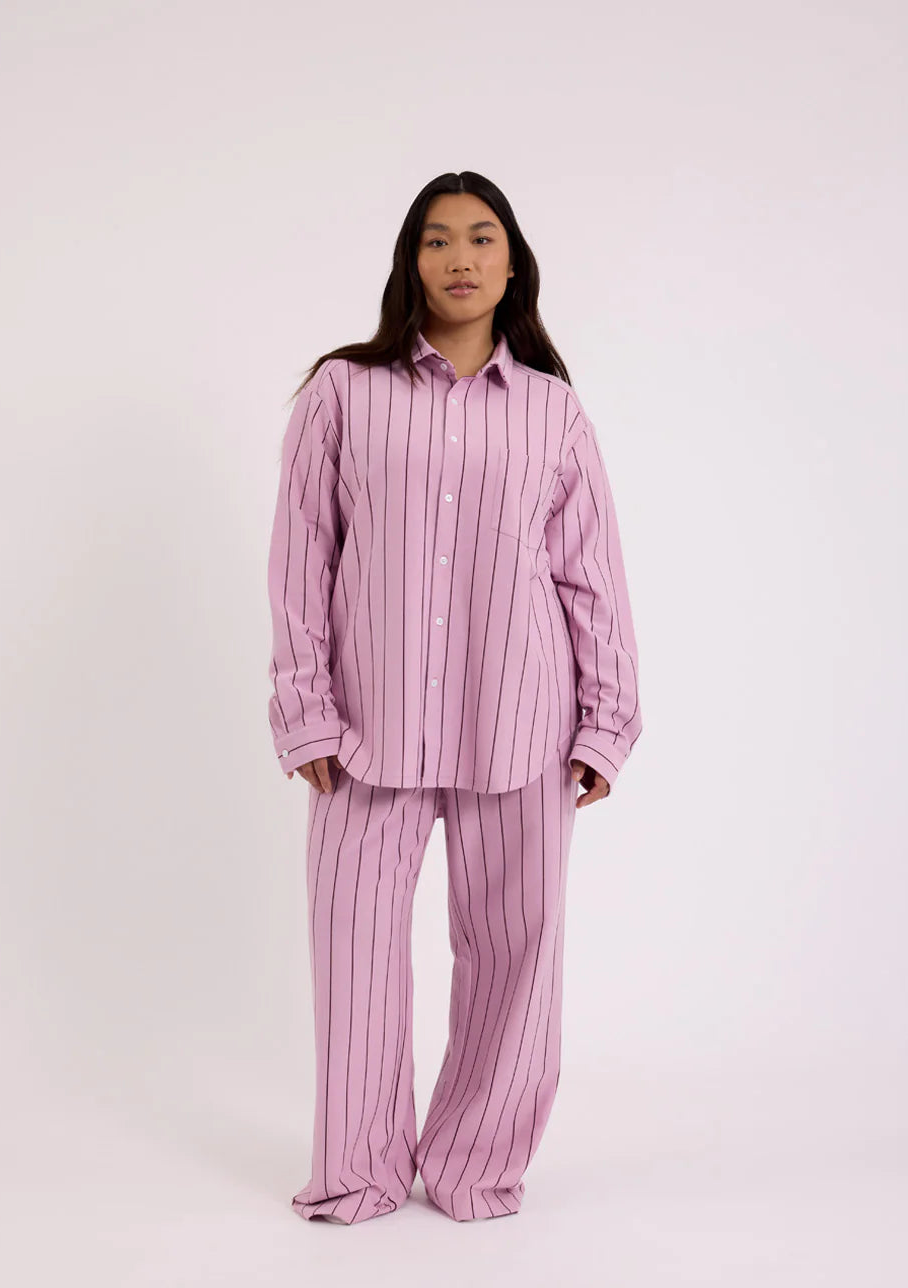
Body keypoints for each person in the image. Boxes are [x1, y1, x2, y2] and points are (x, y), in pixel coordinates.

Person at [266, 170, 642, 1225]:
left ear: (512, 262)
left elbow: (590, 574)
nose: (460, 258)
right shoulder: (343, 392)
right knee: (353, 955)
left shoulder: (553, 412)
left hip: (520, 721)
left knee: (516, 956)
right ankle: (358, 1168)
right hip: (363, 728)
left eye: (481, 238)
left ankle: (476, 1162)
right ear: (411, 261)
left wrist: (606, 722)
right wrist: (303, 707)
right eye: (437, 240)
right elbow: (300, 557)